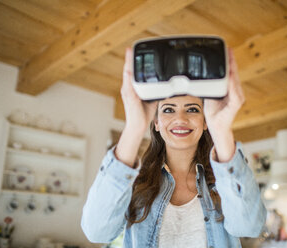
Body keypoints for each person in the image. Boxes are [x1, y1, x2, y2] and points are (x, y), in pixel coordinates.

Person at [81, 46, 266, 248]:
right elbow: (97, 231)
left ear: (205, 122)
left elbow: (250, 227)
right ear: (157, 123)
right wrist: (134, 127)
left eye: (193, 109)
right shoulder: (137, 183)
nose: (180, 119)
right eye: (168, 110)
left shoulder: (224, 181)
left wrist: (220, 130)